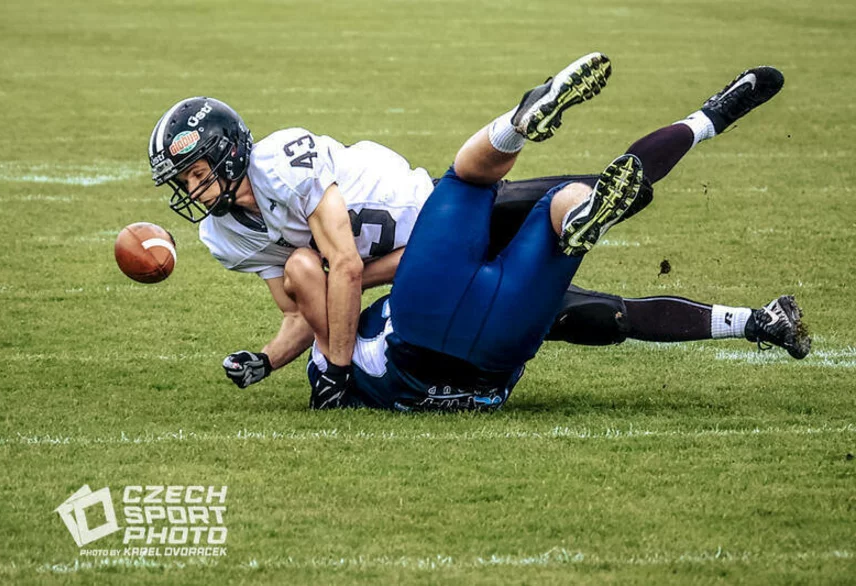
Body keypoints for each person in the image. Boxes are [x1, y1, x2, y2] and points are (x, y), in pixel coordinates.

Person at [146, 54, 808, 393]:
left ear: (231, 152)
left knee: (607, 198)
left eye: (197, 172)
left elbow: (343, 270)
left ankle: (705, 117)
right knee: (590, 313)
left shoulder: (284, 164)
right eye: (184, 181)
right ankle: (758, 320)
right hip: (427, 264)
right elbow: (302, 310)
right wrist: (266, 360)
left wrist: (337, 362)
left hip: (435, 223)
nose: (192, 189)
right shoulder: (223, 234)